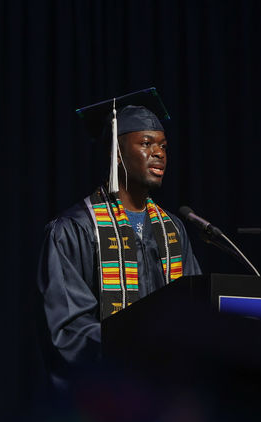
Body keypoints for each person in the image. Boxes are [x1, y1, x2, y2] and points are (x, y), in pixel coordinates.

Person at [37, 88, 201, 387]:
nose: (159, 153)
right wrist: (139, 349)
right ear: (117, 152)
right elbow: (68, 330)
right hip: (104, 398)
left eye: (164, 145)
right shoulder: (74, 229)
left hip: (167, 398)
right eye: (146, 143)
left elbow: (195, 309)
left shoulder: (172, 229)